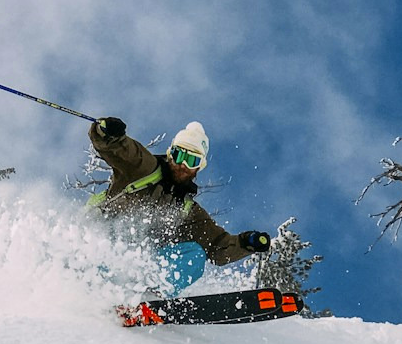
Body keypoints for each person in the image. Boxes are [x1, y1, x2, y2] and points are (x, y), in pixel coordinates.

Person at [87, 116, 270, 292]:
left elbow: (217, 247)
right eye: (178, 154)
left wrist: (245, 243)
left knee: (194, 255)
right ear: (170, 153)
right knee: (117, 237)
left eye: (191, 160)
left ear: (199, 167)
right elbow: (122, 149)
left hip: (136, 268)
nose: (182, 164)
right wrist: (107, 132)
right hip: (101, 246)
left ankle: (151, 295)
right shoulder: (144, 169)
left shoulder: (187, 210)